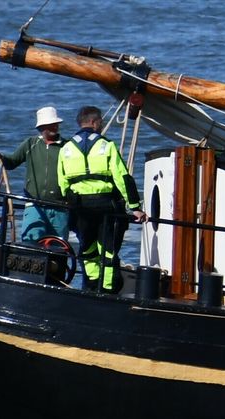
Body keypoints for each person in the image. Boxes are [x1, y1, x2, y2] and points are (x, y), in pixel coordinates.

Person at [56, 105, 145, 293]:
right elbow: (123, 178)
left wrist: (69, 202)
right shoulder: (107, 146)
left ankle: (91, 285)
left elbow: (62, 182)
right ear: (95, 123)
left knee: (87, 247)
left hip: (80, 206)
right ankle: (107, 288)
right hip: (106, 205)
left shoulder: (66, 149)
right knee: (108, 249)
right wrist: (135, 206)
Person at [0, 106, 69, 242]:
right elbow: (12, 162)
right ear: (41, 127)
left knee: (59, 248)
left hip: (60, 206)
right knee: (31, 242)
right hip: (34, 204)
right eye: (49, 125)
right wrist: (0, 157)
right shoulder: (30, 144)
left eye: (55, 124)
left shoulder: (68, 146)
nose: (53, 127)